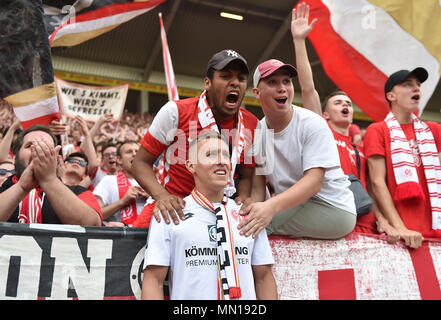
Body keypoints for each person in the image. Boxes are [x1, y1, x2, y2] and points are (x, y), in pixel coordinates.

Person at [238, 3, 356, 239]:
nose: (282, 88)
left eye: (286, 82)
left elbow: (314, 182)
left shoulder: (311, 122)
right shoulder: (259, 130)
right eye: (272, 82)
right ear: (256, 93)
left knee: (255, 231)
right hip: (296, 204)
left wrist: (268, 209)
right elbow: (260, 183)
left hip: (332, 207)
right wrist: (253, 207)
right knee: (249, 222)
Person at [141, 131, 277, 300]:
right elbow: (154, 281)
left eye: (226, 155)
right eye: (210, 155)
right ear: (191, 166)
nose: (221, 161)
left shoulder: (249, 215)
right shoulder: (171, 213)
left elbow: (263, 278)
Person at [132, 48, 260, 226]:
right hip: (176, 208)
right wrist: (163, 197)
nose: (235, 83)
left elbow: (247, 175)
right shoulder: (175, 112)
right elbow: (140, 163)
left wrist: (243, 197)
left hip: (223, 210)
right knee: (135, 245)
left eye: (241, 78)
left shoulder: (251, 123)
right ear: (207, 83)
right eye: (225, 76)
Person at [364, 67, 441, 249]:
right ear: (391, 96)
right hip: (401, 236)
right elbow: (377, 182)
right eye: (408, 85)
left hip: (436, 230)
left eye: (418, 85)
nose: (416, 89)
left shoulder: (432, 129)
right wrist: (401, 227)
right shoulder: (378, 130)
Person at [322, 90, 399, 242]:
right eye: (338, 103)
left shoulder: (361, 150)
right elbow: (309, 91)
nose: (345, 104)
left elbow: (370, 189)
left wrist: (382, 221)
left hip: (366, 223)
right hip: (334, 222)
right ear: (325, 115)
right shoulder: (323, 136)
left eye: (349, 104)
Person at [0, 125, 102, 225]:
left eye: (46, 147)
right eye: (30, 145)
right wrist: (21, 187)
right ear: (14, 158)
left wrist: (49, 180)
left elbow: (92, 225)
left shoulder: (78, 193)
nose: (39, 150)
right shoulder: (3, 189)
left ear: (57, 159)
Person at [93, 140, 149, 225]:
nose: (134, 154)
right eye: (129, 152)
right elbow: (95, 215)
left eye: (137, 151)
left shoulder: (154, 183)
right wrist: (122, 202)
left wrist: (153, 197)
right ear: (119, 160)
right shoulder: (108, 181)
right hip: (122, 235)